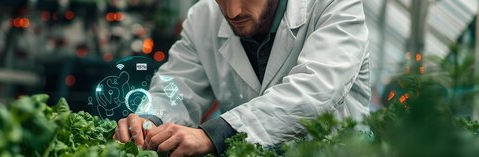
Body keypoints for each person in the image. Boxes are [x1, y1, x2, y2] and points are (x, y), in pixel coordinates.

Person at [114, 0, 370, 156]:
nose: (233, 10)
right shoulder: (203, 17)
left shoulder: (334, 4)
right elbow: (177, 87)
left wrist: (214, 134)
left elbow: (316, 91)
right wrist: (150, 119)